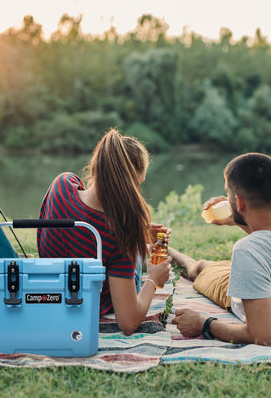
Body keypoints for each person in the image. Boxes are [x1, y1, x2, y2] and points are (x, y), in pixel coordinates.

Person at [37, 128, 172, 335]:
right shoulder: (120, 233)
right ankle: (143, 255)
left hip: (53, 289)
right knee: (133, 256)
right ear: (129, 184)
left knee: (128, 249)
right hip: (86, 303)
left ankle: (141, 249)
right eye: (138, 184)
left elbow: (84, 221)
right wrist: (153, 279)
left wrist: (139, 233)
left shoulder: (62, 184)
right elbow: (127, 323)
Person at [170, 152, 271, 346]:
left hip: (241, 295)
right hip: (264, 264)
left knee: (200, 268)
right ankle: (171, 251)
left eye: (228, 194)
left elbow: (262, 336)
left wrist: (204, 324)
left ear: (239, 202)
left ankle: (173, 253)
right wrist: (238, 217)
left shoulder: (248, 251)